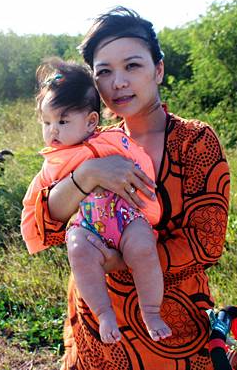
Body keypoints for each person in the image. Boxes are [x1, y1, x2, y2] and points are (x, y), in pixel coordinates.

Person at [24, 7, 234, 370]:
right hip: (97, 328)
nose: (118, 82)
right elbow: (50, 220)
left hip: (172, 331)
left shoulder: (193, 141)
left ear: (159, 69)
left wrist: (124, 260)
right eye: (104, 71)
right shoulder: (85, 140)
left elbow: (207, 242)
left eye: (132, 66)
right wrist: (88, 174)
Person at [21, 57, 172, 344]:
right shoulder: (53, 161)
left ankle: (151, 311)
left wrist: (148, 206)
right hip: (87, 226)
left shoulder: (113, 140)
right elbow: (39, 201)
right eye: (47, 122)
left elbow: (141, 169)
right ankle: (103, 313)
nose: (53, 131)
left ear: (91, 121)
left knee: (143, 247)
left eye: (63, 121)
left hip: (126, 217)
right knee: (78, 251)